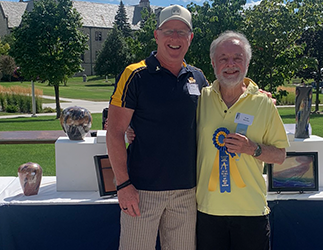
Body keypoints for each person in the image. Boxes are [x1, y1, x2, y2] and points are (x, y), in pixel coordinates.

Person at [106, 5, 208, 250]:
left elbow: (225, 101)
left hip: (187, 192)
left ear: (190, 38)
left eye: (182, 32)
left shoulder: (199, 77)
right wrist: (123, 185)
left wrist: (254, 92)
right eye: (168, 31)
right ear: (157, 35)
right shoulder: (135, 75)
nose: (175, 38)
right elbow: (115, 131)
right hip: (141, 192)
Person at [196, 31, 289, 250]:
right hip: (208, 212)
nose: (231, 64)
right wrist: (134, 128)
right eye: (223, 58)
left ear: (247, 63)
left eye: (238, 58)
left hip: (251, 212)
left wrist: (252, 149)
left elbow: (280, 156)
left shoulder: (264, 104)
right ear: (213, 63)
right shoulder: (200, 99)